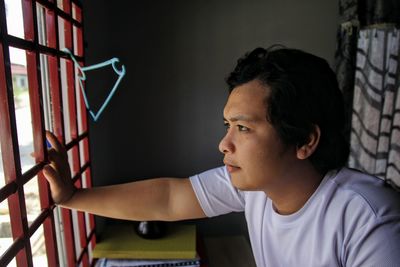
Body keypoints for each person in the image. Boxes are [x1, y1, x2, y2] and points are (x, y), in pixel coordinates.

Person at [44, 46, 400, 266]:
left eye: (242, 128)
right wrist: (73, 197)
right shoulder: (256, 187)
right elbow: (169, 199)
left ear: (305, 140)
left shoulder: (369, 219)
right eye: (227, 125)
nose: (223, 144)